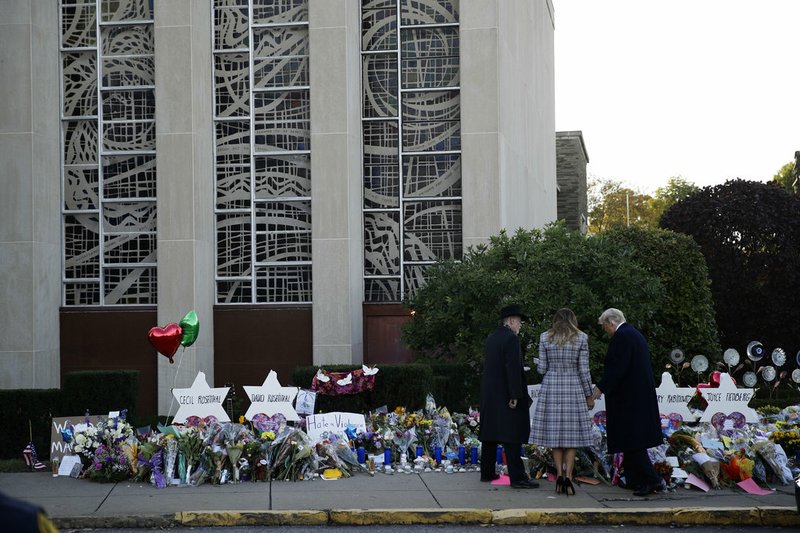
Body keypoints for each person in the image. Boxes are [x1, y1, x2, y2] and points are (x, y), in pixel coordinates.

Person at [591, 308, 665, 497]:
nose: (605, 331)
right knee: (631, 441)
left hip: (629, 400)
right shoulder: (633, 334)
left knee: (634, 441)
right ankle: (635, 479)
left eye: (604, 327)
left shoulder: (622, 337)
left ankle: (651, 480)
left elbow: (617, 368)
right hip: (637, 397)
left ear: (611, 323)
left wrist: (599, 389)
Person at [530, 308, 594, 495]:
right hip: (573, 386)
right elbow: (584, 370)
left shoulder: (545, 337)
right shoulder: (581, 338)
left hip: (551, 386)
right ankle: (568, 476)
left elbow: (542, 368)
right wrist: (589, 394)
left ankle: (558, 474)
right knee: (571, 437)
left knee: (555, 435)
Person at [478, 304, 539, 489]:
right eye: (519, 321)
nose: (520, 325)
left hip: (490, 394)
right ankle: (518, 477)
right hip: (506, 394)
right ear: (511, 320)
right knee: (512, 435)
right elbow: (512, 368)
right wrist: (515, 394)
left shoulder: (492, 338)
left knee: (490, 434)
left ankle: (487, 472)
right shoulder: (511, 339)